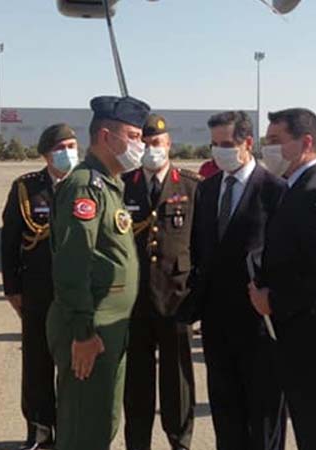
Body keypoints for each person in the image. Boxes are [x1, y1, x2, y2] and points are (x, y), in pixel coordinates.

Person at [46, 95, 149, 450]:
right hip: (90, 331)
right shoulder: (86, 186)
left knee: (102, 422)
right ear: (106, 136)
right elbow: (73, 264)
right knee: (83, 428)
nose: (140, 145)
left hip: (108, 328)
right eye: (133, 136)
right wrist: (83, 331)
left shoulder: (109, 184)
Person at [249, 108, 316, 450]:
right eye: (266, 140)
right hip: (298, 330)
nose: (268, 148)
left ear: (306, 142)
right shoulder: (296, 186)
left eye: (276, 140)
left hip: (315, 335)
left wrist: (273, 299)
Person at [181, 110, 287, 450]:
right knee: (226, 415)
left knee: (264, 417)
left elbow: (286, 256)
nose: (219, 151)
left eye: (226, 144)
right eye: (214, 144)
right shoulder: (207, 189)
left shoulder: (275, 190)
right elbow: (199, 250)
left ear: (248, 143)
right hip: (216, 324)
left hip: (260, 324)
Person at [122, 114, 200, 450]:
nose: (151, 149)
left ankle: (179, 441)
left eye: (157, 143)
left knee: (177, 379)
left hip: (176, 298)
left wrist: (198, 298)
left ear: (169, 145)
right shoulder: (124, 184)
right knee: (136, 381)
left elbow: (200, 245)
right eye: (145, 143)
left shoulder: (191, 186)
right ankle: (137, 442)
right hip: (135, 300)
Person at [1, 124, 79, 449]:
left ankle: (72, 431)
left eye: (73, 146)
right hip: (37, 290)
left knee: (75, 366)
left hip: (76, 293)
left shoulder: (88, 185)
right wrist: (12, 288)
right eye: (62, 148)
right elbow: (9, 241)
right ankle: (39, 432)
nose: (69, 153)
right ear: (47, 154)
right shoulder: (26, 189)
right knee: (36, 363)